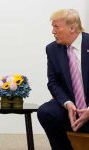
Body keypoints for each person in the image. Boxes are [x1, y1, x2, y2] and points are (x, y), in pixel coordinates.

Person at [37, 8, 89, 150]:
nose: (53, 31)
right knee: (45, 112)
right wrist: (67, 103)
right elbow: (53, 83)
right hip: (71, 106)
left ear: (72, 28)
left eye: (56, 27)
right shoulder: (52, 49)